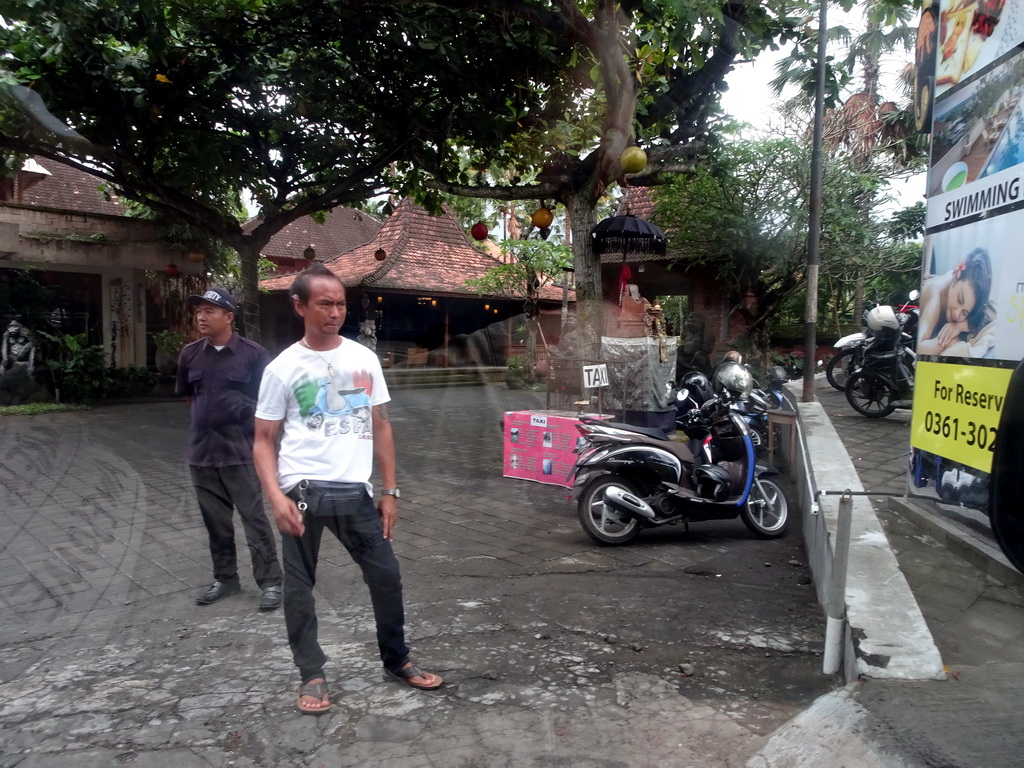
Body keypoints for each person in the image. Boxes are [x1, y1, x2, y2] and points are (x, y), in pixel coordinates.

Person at [253, 263, 442, 716]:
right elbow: (262, 440)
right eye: (324, 303)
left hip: (354, 493)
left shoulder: (364, 358)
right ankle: (312, 673)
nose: (335, 312)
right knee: (299, 588)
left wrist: (390, 490)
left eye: (340, 303)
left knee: (387, 575)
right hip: (302, 490)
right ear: (299, 306)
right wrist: (275, 497)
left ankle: (397, 659)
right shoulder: (283, 368)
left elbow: (380, 426)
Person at [176, 286, 284, 610]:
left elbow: (267, 405)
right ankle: (225, 578)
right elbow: (188, 396)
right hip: (202, 455)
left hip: (241, 453)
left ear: (229, 317)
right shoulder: (190, 354)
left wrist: (237, 409)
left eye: (209, 311)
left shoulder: (253, 355)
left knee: (254, 519)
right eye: (199, 311)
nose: (201, 317)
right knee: (216, 523)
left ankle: (270, 582)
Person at [918, 248, 994, 357]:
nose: (956, 314)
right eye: (959, 299)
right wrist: (947, 340)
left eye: (965, 313)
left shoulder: (968, 291)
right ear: (956, 275)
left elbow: (992, 313)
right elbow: (920, 348)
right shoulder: (935, 296)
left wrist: (960, 326)